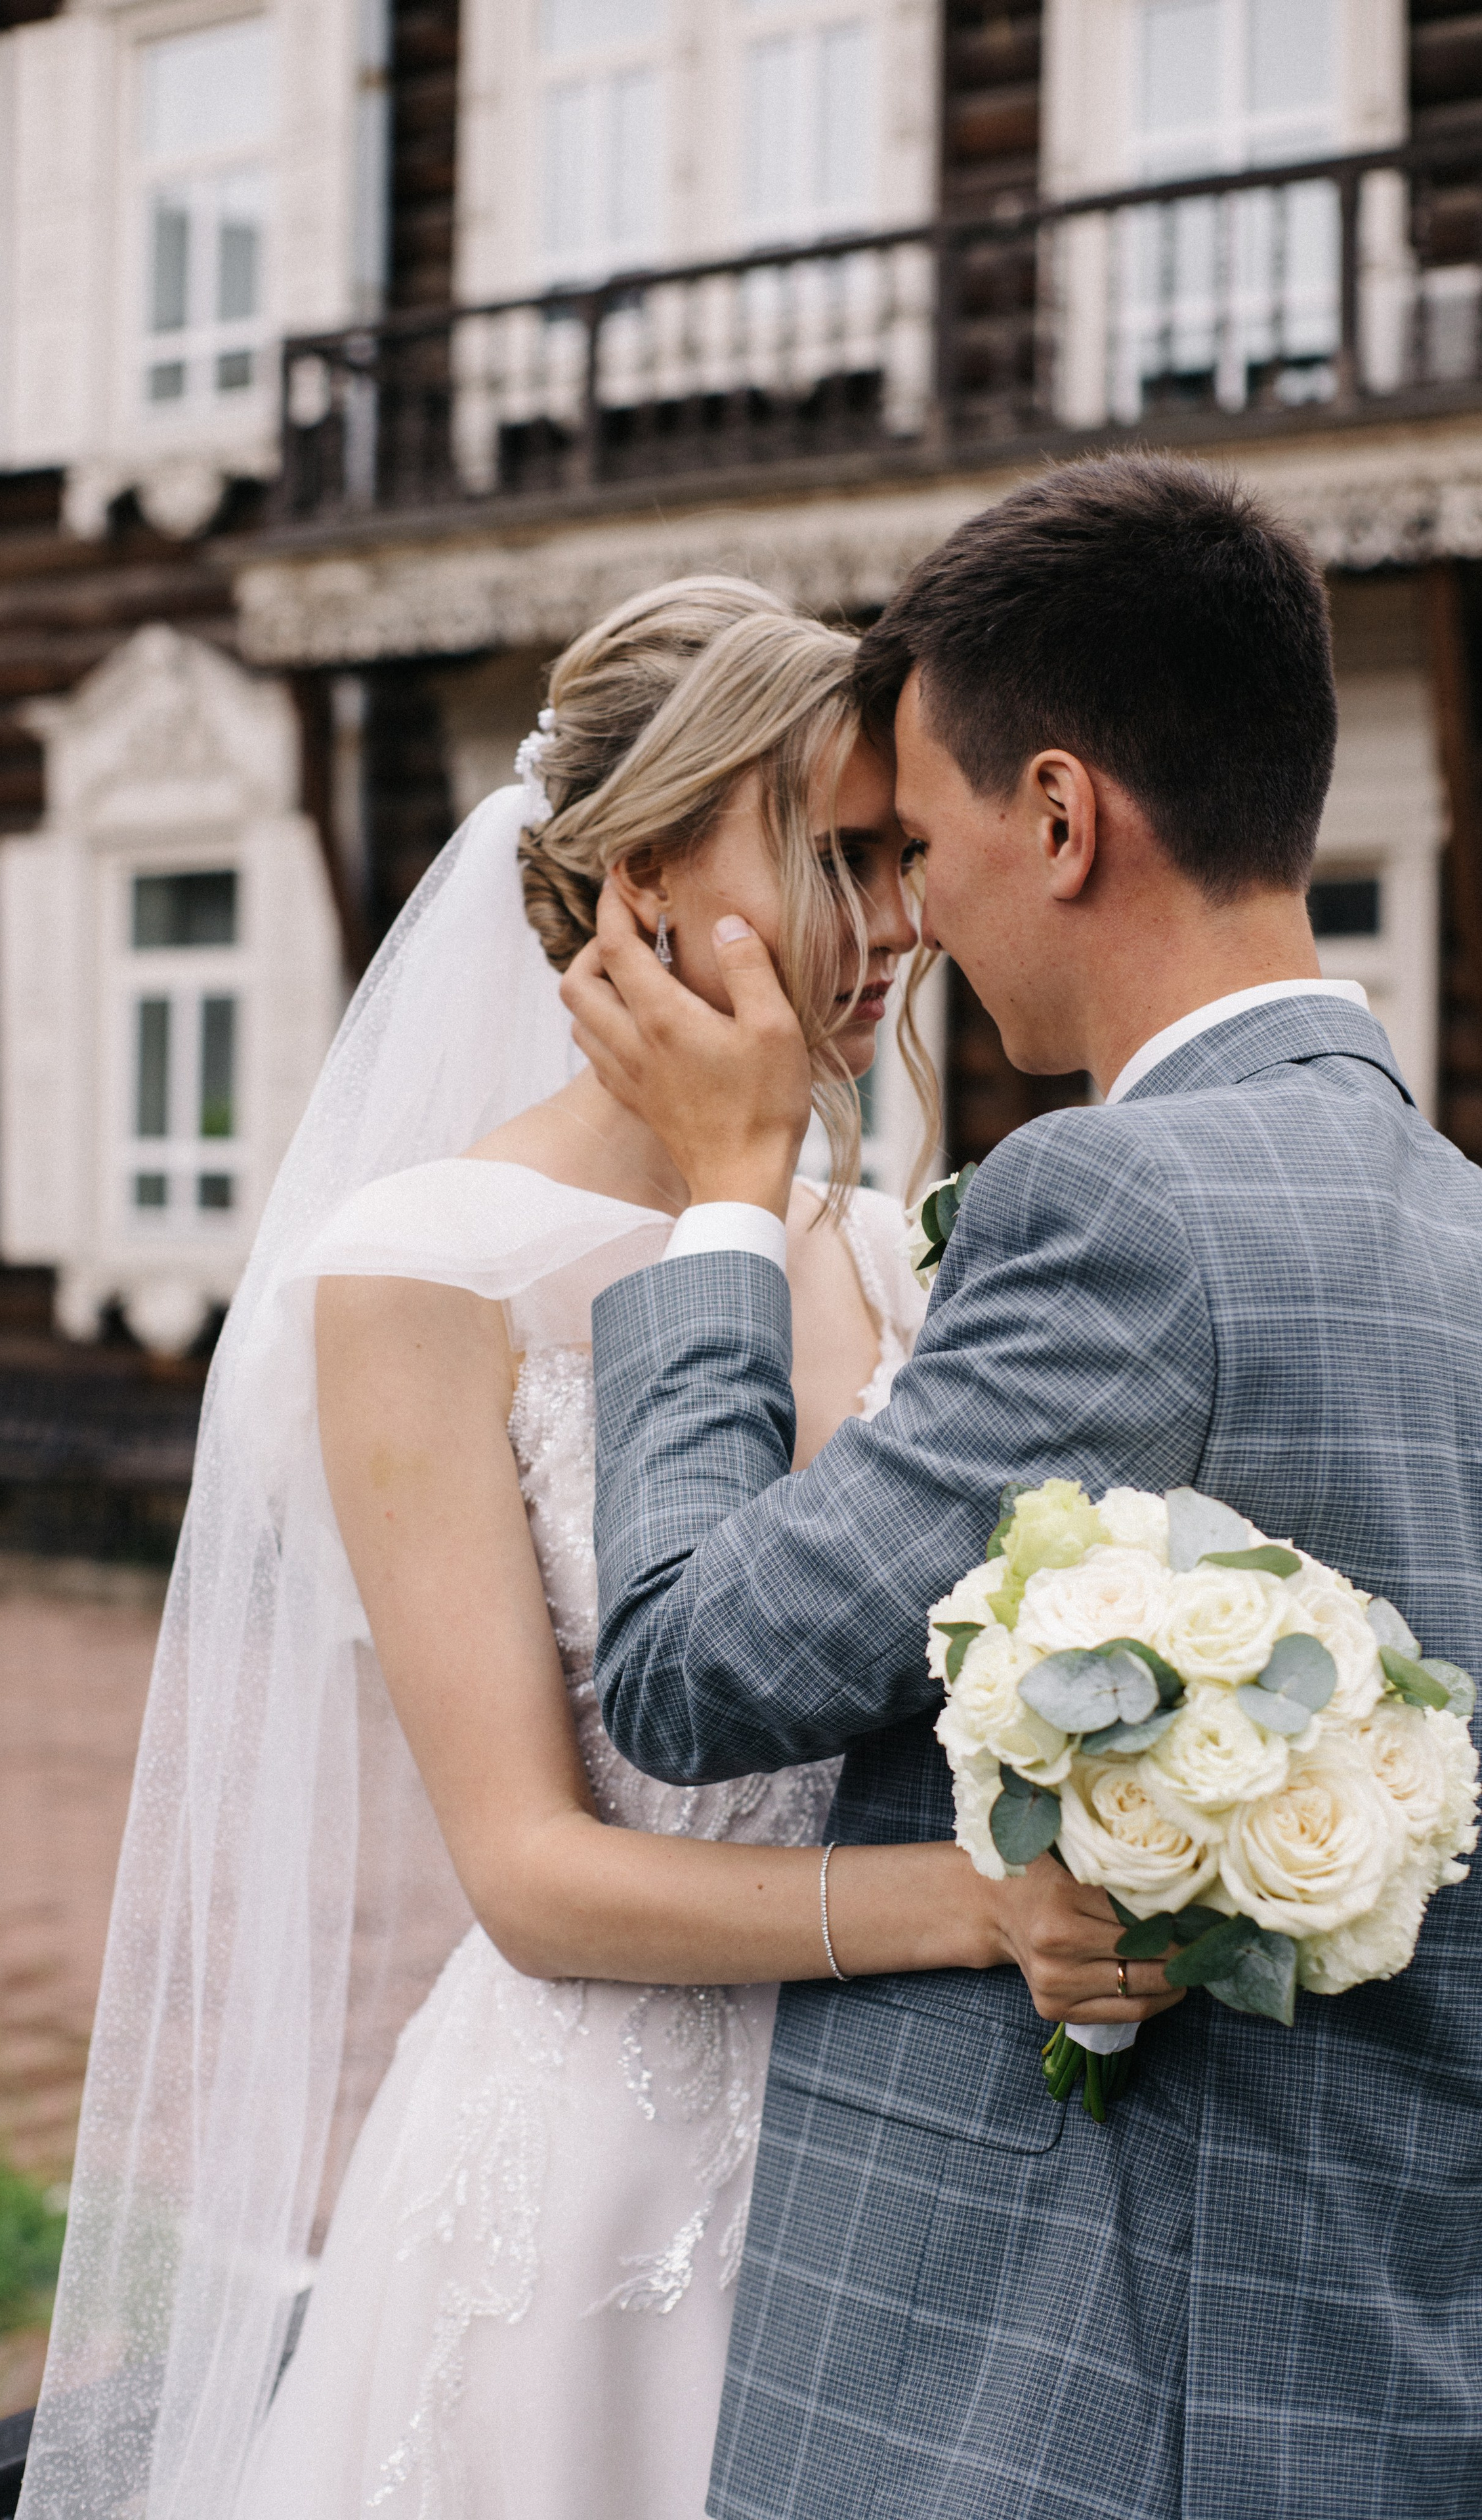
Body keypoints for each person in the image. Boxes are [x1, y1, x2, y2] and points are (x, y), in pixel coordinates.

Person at [17, 576, 1138, 2520]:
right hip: (585, 2198)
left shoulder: (887, 1249)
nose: (894, 927)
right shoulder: (418, 1271)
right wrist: (971, 1910)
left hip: (884, 2172)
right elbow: (530, 1874)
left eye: (903, 858)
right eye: (831, 854)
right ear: (634, 876)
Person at [567, 457, 1482, 2520]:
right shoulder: (1454, 1219)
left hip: (1080, 2400)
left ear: (1058, 818)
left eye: (919, 843)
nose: (911, 919)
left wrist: (724, 1200)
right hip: (1387, 2367)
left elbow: (691, 1667)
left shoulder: (1118, 1205)